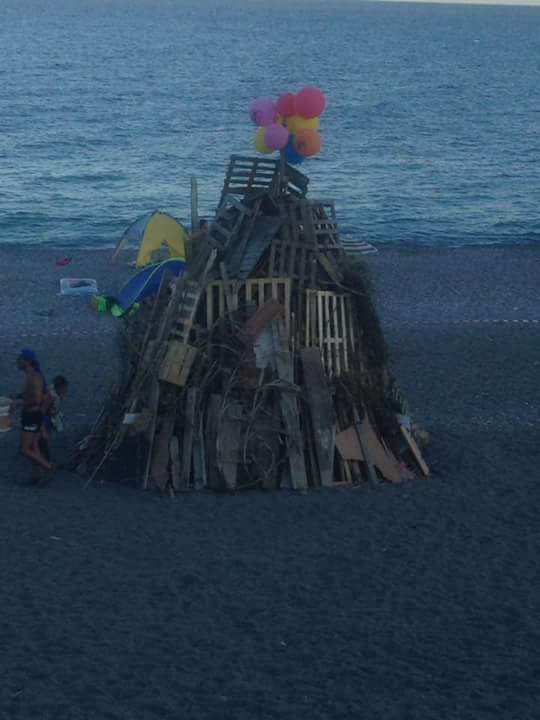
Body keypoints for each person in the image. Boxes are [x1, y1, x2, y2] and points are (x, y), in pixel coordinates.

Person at [12, 349, 53, 482]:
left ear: (27, 361)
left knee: (25, 448)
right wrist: (19, 396)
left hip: (32, 415)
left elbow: (37, 399)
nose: (18, 361)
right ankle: (37, 476)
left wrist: (20, 403)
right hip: (31, 415)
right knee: (33, 446)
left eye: (20, 359)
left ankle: (49, 467)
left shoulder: (34, 376)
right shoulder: (31, 375)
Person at [40, 375, 69, 466]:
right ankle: (47, 459)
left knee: (47, 437)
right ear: (60, 387)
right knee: (47, 438)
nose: (66, 390)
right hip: (46, 418)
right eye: (64, 388)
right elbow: (42, 411)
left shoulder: (57, 392)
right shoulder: (51, 396)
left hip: (51, 415)